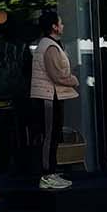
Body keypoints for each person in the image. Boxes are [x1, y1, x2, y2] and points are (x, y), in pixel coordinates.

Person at [29, 16, 77, 191]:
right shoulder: (49, 46)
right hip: (48, 97)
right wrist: (74, 79)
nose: (63, 25)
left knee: (53, 135)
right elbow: (56, 75)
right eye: (60, 23)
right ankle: (47, 174)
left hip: (51, 95)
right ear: (54, 27)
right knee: (50, 135)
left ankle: (50, 172)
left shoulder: (48, 44)